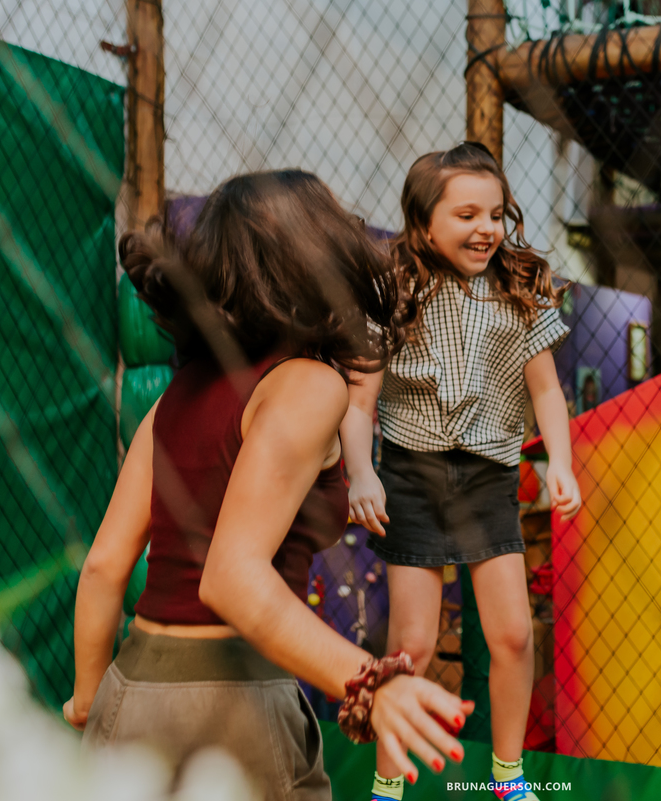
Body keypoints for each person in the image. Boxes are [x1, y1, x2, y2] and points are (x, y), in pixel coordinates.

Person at [62, 170, 473, 801]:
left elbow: (102, 568)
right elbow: (230, 577)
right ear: (318, 261)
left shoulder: (172, 400)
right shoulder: (307, 384)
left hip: (130, 692)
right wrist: (372, 681)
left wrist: (91, 702)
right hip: (231, 705)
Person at [341, 143, 582, 801]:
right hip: (412, 474)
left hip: (486, 476)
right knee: (412, 641)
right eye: (467, 213)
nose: (487, 228)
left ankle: (507, 775)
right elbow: (359, 402)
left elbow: (547, 391)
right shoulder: (393, 292)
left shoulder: (519, 288)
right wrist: (361, 470)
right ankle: (387, 783)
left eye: (497, 213)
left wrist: (560, 460)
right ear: (423, 225)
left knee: (511, 632)